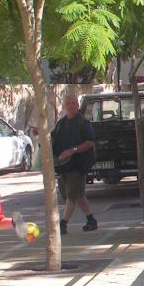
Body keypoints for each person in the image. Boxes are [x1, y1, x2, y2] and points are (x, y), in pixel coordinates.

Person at [51, 94, 97, 234]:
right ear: (64, 106)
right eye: (68, 103)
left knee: (72, 196)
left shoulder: (83, 123)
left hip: (78, 165)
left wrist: (73, 150)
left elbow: (90, 142)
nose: (71, 105)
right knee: (77, 194)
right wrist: (39, 134)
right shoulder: (61, 123)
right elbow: (52, 140)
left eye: (74, 103)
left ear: (77, 105)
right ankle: (91, 220)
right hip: (64, 166)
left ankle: (63, 225)